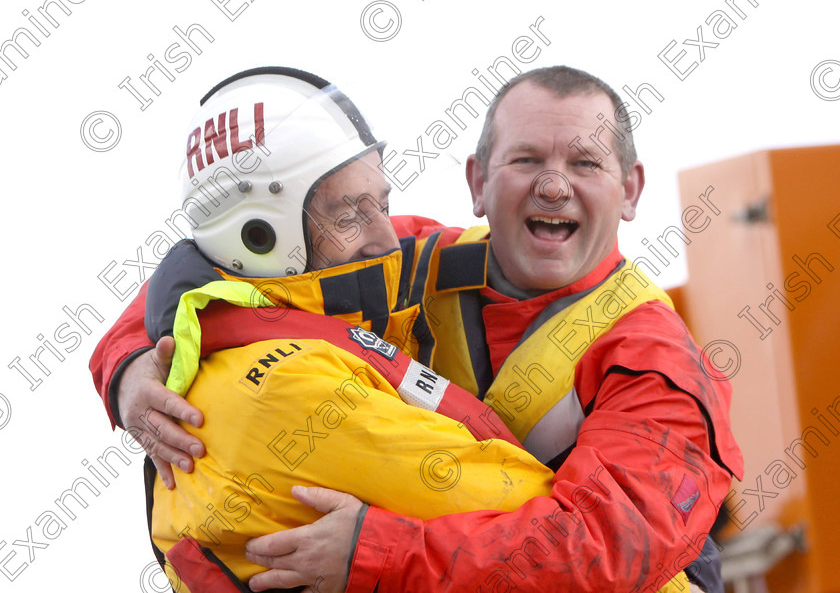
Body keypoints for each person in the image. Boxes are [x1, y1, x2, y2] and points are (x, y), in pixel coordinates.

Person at [90, 66, 739, 592]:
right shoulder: (407, 260)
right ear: (478, 183)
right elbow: (233, 264)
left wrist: (381, 553)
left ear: (631, 190)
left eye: (586, 164)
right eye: (526, 158)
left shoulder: (655, 362)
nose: (552, 185)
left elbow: (612, 551)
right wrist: (130, 364)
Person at [128, 66, 565, 592]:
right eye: (350, 216)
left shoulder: (232, 343)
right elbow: (546, 525)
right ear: (258, 236)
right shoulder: (290, 387)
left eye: (381, 204)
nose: (385, 237)